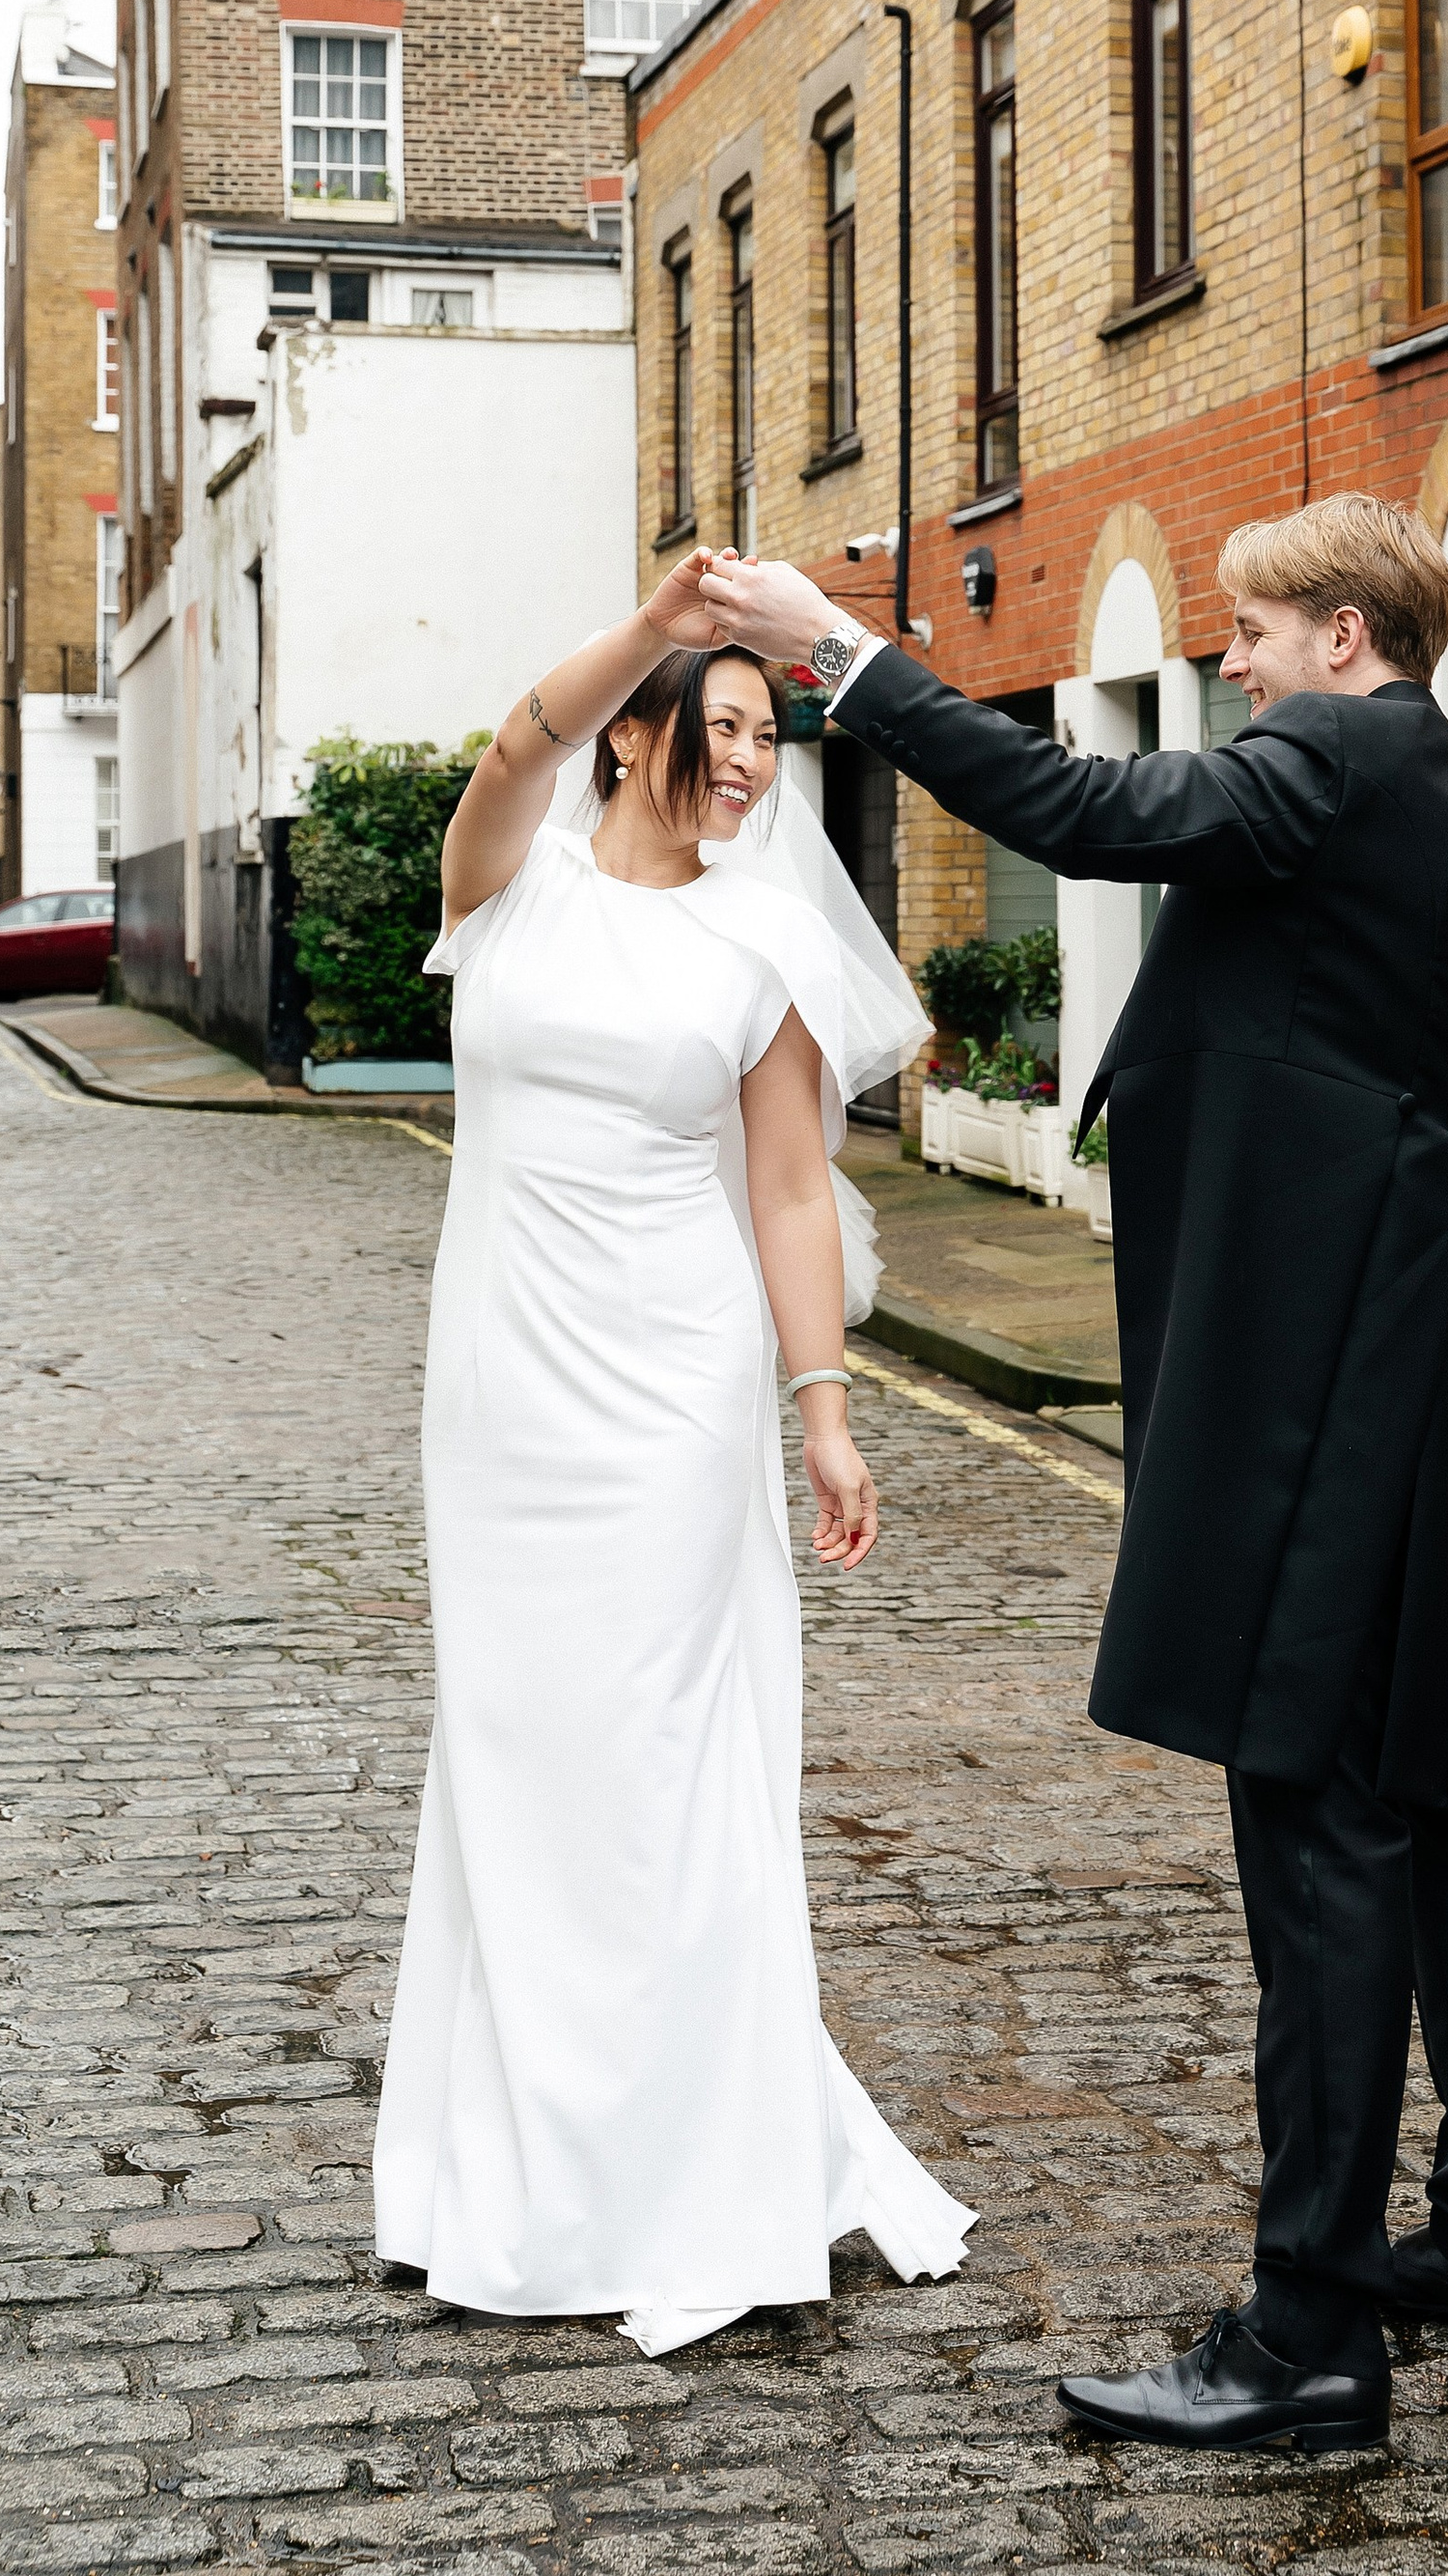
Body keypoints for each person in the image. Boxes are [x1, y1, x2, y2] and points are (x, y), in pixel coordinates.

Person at [702, 500, 1448, 2456]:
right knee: (1444, 1798)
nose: (1229, 666)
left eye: (1254, 632)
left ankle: (1304, 2328)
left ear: (1353, 643)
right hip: (1442, 1399)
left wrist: (835, 653)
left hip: (1315, 1388)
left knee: (1313, 1824)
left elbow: (1074, 809)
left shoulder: (1322, 767)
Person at [370, 552, 971, 2358]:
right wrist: (666, 623)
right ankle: (513, 2165)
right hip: (500, 1395)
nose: (747, 760)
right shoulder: (509, 888)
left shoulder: (760, 942)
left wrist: (827, 1407)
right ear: (635, 735)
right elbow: (510, 740)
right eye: (719, 725)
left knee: (657, 1757)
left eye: (768, 733)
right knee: (514, 1749)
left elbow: (791, 1189)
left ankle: (677, 2169)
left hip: (667, 1391)